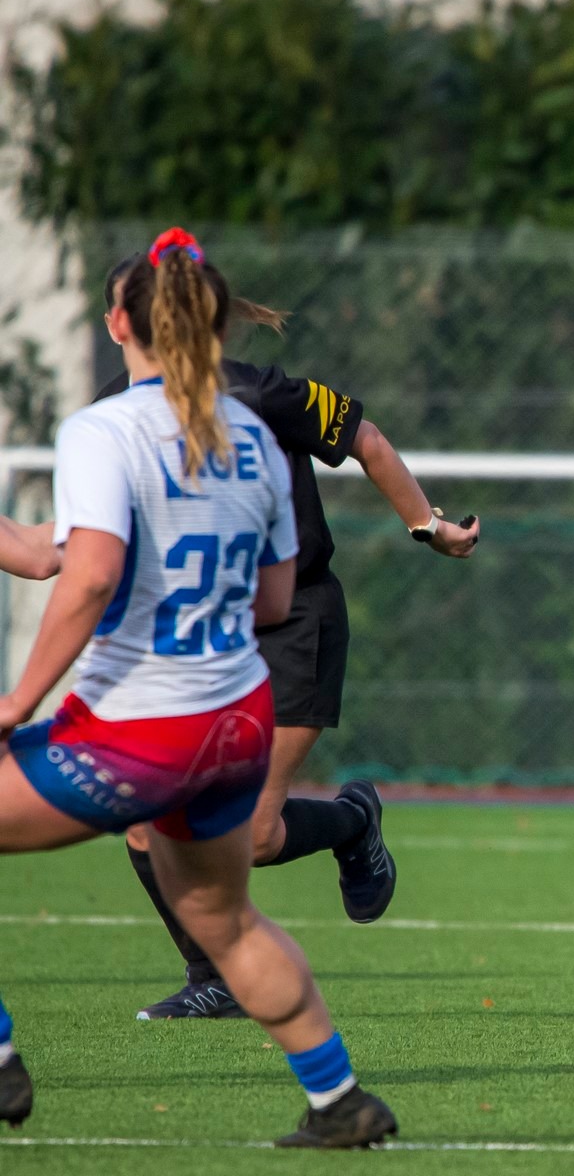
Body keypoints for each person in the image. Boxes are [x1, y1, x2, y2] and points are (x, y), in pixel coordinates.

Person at [0, 228, 396, 1145]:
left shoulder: (103, 429)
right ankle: (341, 1103)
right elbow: (274, 596)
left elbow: (85, 573)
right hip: (236, 719)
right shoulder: (250, 434)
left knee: (223, 911)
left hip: (143, 728)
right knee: (228, 918)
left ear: (118, 324)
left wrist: (19, 702)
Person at [88, 247, 480, 1019]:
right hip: (197, 636)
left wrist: (425, 524)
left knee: (255, 835)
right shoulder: (111, 414)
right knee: (144, 823)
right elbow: (81, 544)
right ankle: (214, 978)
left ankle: (352, 822)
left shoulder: (260, 393)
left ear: (125, 321)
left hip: (294, 619)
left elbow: (364, 438)